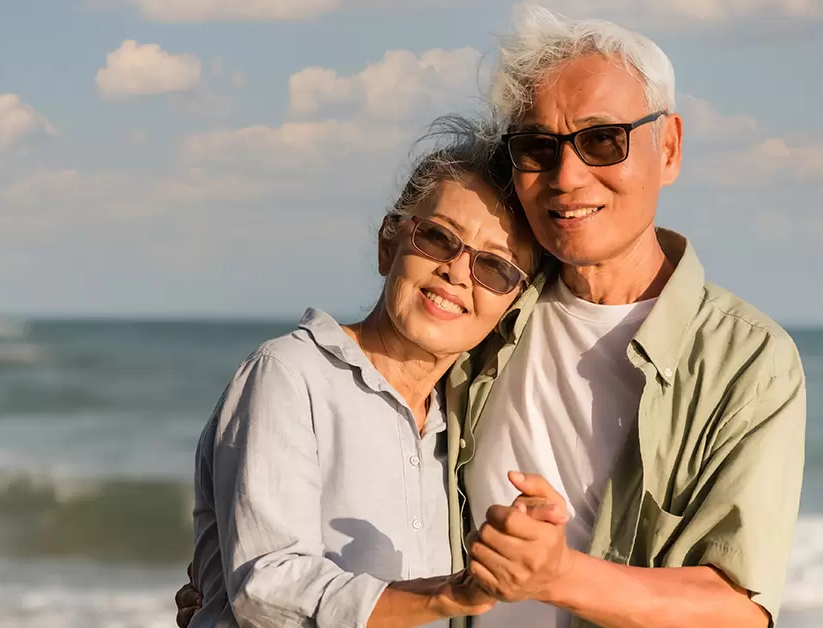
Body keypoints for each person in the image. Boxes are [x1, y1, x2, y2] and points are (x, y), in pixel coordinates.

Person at [179, 7, 806, 628]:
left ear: (667, 146)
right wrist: (220, 584)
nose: (568, 175)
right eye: (538, 148)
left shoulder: (748, 361)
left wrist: (560, 575)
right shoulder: (491, 314)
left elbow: (738, 610)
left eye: (601, 140)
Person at [186, 115, 557, 628]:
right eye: (438, 238)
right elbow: (267, 588)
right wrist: (448, 595)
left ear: (511, 305)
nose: (456, 272)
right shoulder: (290, 375)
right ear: (389, 242)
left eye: (493, 268)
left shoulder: (460, 422)